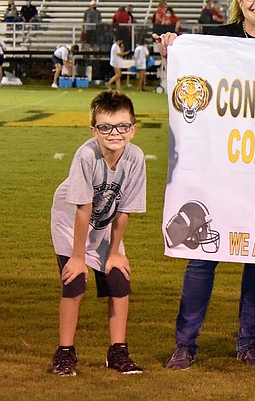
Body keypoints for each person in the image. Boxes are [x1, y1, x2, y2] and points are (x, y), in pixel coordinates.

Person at [156, 0, 255, 371]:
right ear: (239, 2)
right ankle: (185, 343)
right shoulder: (215, 41)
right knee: (202, 256)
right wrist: (174, 48)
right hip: (218, 167)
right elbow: (188, 88)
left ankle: (249, 342)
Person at [49, 90, 146, 376]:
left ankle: (118, 351)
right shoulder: (86, 155)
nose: (114, 133)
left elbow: (125, 209)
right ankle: (65, 353)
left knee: (119, 279)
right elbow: (82, 208)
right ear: (94, 130)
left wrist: (115, 252)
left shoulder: (135, 157)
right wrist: (78, 257)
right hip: (71, 222)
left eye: (122, 127)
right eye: (105, 127)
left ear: (133, 129)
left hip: (104, 223)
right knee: (75, 281)